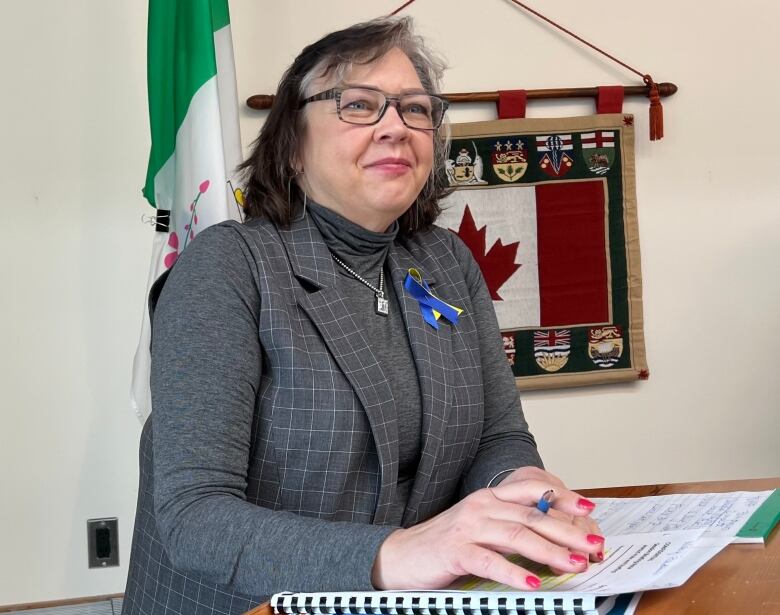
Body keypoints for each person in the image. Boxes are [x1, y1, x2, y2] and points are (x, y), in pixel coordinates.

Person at [122, 16, 603, 615]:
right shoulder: (226, 267)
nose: (395, 128)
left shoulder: (446, 261)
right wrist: (394, 554)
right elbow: (194, 517)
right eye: (357, 105)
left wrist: (519, 485)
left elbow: (498, 437)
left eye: (415, 109)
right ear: (292, 144)